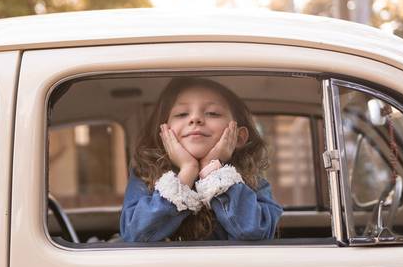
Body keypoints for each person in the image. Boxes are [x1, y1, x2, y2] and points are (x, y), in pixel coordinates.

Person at [120, 77, 283, 242]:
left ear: (238, 137)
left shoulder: (253, 181)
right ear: (164, 135)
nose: (195, 119)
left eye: (213, 113)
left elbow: (255, 233)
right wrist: (187, 171)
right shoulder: (144, 175)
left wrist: (212, 170)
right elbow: (135, 235)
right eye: (182, 114)